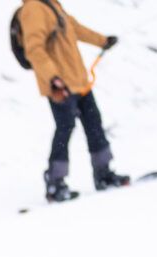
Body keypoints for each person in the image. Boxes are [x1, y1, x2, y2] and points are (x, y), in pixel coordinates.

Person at [19, 0, 130, 202]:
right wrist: (53, 77)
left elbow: (76, 29)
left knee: (93, 123)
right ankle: (55, 183)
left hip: (78, 81)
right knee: (65, 127)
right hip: (60, 85)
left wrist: (103, 41)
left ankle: (103, 173)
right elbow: (34, 49)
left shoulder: (52, 5)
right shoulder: (33, 9)